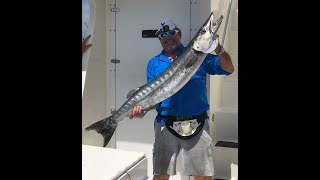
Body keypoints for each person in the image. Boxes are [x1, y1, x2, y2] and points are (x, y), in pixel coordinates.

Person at [129, 19, 234, 180]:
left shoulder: (201, 55)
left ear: (179, 34)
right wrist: (141, 109)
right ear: (159, 38)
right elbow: (155, 98)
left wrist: (218, 48)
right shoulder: (154, 63)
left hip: (197, 123)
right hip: (165, 124)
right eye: (163, 34)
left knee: (202, 176)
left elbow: (228, 69)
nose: (168, 37)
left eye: (172, 33)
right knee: (160, 175)